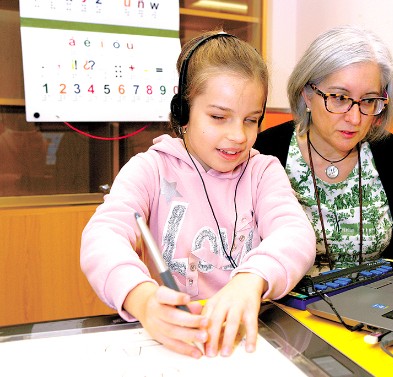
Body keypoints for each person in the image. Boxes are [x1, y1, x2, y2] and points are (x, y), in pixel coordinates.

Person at [81, 31, 316, 359]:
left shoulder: (263, 171)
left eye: (251, 120)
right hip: (177, 342)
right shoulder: (150, 169)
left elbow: (295, 232)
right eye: (218, 117)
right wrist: (142, 299)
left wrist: (251, 279)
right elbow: (102, 237)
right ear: (183, 111)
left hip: (249, 341)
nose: (238, 136)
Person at [252, 25, 393, 270]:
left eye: (368, 100)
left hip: (376, 304)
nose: (355, 119)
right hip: (291, 306)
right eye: (339, 98)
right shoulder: (265, 151)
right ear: (307, 93)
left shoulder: (392, 153)